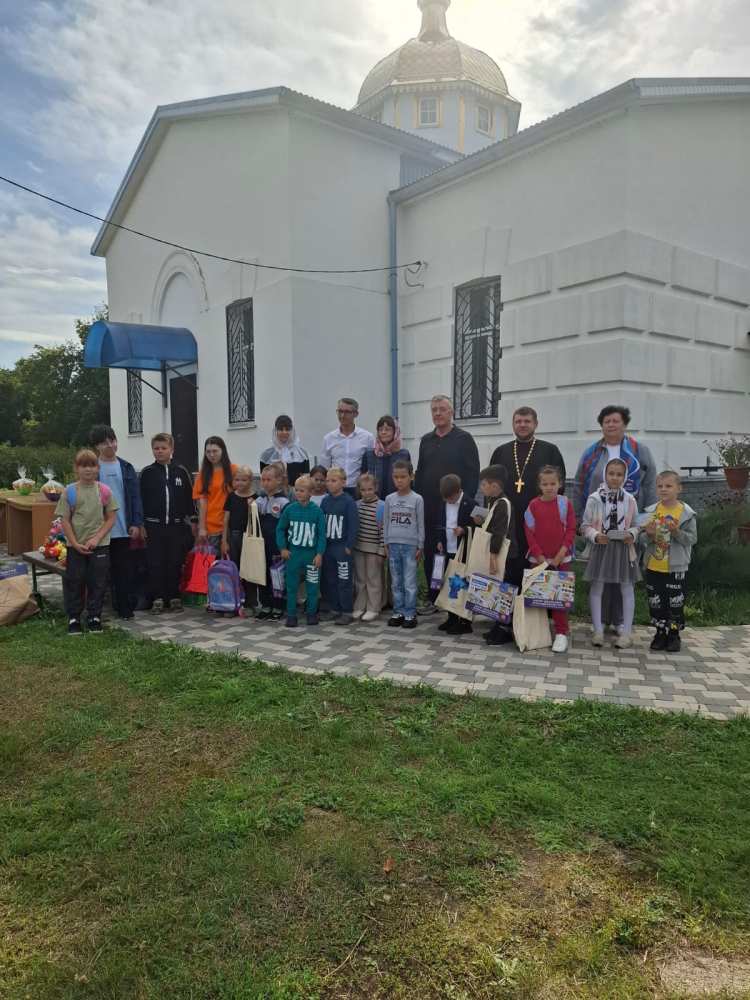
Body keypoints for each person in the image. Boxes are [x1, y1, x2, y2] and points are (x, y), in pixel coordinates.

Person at [573, 405, 656, 632]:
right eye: (606, 421)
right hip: (598, 524)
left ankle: (619, 621)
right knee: (600, 574)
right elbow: (579, 483)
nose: (611, 425)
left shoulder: (639, 451)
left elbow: (650, 484)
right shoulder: (591, 453)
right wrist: (579, 518)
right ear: (601, 425)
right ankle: (600, 621)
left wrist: (647, 519)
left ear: (624, 424)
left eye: (615, 421)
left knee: (622, 575)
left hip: (628, 523)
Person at [415, 395, 480, 612]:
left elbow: (473, 474)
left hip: (455, 508)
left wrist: (464, 504)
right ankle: (434, 596)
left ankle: (455, 599)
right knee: (433, 553)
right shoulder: (426, 440)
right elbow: (421, 472)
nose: (437, 413)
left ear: (451, 412)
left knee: (455, 554)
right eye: (434, 410)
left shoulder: (464, 439)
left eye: (442, 409)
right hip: (431, 508)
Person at [489, 406, 566, 589]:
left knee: (536, 562)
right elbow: (491, 487)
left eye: (527, 421)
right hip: (508, 520)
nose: (522, 425)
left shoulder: (550, 451)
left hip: (539, 520)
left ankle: (533, 605)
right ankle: (508, 603)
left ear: (535, 424)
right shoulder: (501, 452)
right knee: (508, 563)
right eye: (518, 421)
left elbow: (559, 487)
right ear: (513, 424)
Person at [56, 449, 119, 635]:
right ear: (76, 468)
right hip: (75, 546)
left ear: (98, 468)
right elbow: (65, 520)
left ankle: (94, 617)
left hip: (100, 545)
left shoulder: (104, 491)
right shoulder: (69, 491)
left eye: (92, 465)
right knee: (75, 581)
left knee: (98, 582)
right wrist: (74, 543)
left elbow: (111, 518)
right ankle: (74, 618)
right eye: (83, 466)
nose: (88, 469)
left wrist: (97, 538)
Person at [581, 457, 641, 649]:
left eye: (619, 474)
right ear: (605, 474)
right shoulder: (595, 498)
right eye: (611, 473)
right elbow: (585, 525)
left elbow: (636, 525)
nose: (615, 478)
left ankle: (626, 633)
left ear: (625, 477)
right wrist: (595, 535)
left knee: (627, 588)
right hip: (602, 547)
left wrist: (632, 534)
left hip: (623, 549)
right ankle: (598, 630)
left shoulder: (630, 500)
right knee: (597, 587)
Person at [89, 424, 144, 620]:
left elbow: (135, 498)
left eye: (112, 440)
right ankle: (95, 612)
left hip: (123, 528)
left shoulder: (126, 467)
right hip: (99, 531)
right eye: (105, 443)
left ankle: (125, 609)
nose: (110, 445)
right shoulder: (92, 469)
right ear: (97, 446)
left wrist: (136, 523)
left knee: (124, 571)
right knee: (99, 573)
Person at [640, 471, 697, 653]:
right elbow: (642, 539)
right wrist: (648, 535)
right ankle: (660, 633)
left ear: (679, 488)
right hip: (654, 566)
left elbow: (692, 539)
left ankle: (673, 635)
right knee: (656, 602)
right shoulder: (651, 512)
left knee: (675, 603)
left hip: (676, 568)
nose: (663, 489)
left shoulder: (686, 514)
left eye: (668, 486)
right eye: (660, 486)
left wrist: (676, 532)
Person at [523, 465, 577, 653]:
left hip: (561, 559)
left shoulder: (565, 504)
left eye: (553, 484)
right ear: (539, 486)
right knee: (536, 595)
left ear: (560, 484)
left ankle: (561, 633)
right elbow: (529, 532)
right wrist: (539, 556)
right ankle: (536, 631)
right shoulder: (533, 506)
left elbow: (571, 529)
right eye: (545, 484)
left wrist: (561, 554)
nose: (549, 487)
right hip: (538, 560)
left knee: (559, 597)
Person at [139, 432, 195, 614]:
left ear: (171, 449)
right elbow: (140, 500)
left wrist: (194, 520)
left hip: (176, 526)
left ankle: (174, 596)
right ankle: (157, 598)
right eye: (156, 448)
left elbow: (189, 498)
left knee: (175, 561)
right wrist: (140, 524)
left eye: (164, 448)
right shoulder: (147, 473)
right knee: (155, 562)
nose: (160, 451)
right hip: (153, 526)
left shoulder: (181, 471)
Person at [276, 474, 327, 628]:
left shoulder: (317, 511)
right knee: (291, 586)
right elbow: (280, 529)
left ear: (310, 492)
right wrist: (283, 548)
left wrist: (319, 554)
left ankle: (311, 614)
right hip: (293, 554)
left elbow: (322, 534)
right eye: (296, 490)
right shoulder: (290, 509)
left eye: (302, 490)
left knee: (312, 585)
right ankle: (291, 615)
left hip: (311, 555)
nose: (298, 493)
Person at [475, 465, 518, 646]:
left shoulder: (502, 504)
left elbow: (499, 532)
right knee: (498, 588)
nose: (481, 488)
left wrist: (493, 555)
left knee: (504, 591)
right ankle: (498, 625)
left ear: (494, 486)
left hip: (505, 555)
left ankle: (504, 629)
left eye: (484, 484)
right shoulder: (494, 502)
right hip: (500, 553)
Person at [383, 459, 424, 629]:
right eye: (396, 477)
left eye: (403, 477)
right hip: (393, 545)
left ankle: (410, 613)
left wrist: (420, 545)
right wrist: (386, 542)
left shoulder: (417, 499)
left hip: (410, 547)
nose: (399, 480)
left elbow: (420, 523)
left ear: (411, 477)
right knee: (396, 581)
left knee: (409, 581)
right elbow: (386, 522)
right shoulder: (389, 499)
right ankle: (398, 612)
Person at [435, 473, 474, 635]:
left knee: (462, 586)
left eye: (450, 499)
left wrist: (464, 530)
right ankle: (451, 617)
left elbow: (477, 526)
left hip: (462, 551)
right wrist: (439, 540)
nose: (448, 502)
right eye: (446, 499)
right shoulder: (443, 502)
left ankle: (464, 621)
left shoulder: (470, 503)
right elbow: (439, 523)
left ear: (458, 491)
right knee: (448, 586)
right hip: (447, 550)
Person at [320, 467, 359, 625]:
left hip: (342, 548)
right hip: (328, 547)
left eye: (334, 480)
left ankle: (347, 611)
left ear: (343, 482)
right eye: (328, 481)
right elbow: (321, 523)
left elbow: (353, 526)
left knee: (344, 580)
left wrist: (349, 545)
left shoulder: (349, 502)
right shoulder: (325, 501)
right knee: (331, 579)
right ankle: (334, 608)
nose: (330, 483)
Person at [255, 464, 290, 619]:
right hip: (261, 546)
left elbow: (286, 528)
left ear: (279, 480)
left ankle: (278, 606)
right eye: (263, 480)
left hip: (277, 547)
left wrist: (284, 546)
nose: (265, 483)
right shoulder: (259, 500)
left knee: (277, 577)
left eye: (269, 480)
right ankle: (265, 605)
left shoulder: (284, 502)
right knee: (263, 575)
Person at [221, 466, 258, 611]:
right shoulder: (231, 496)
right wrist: (224, 541)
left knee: (249, 570)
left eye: (244, 480)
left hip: (249, 538)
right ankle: (232, 601)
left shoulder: (255, 498)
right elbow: (226, 520)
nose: (240, 483)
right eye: (237, 480)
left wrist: (251, 507)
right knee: (233, 569)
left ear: (251, 481)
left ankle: (250, 602)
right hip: (234, 537)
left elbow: (255, 520)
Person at [321, 397, 375, 496]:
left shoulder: (367, 438)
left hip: (358, 490)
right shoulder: (329, 438)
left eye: (347, 412)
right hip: (335, 490)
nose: (342, 415)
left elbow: (371, 467)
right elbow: (325, 467)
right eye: (340, 411)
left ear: (356, 414)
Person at [193, 437, 236, 556]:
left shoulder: (234, 470)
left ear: (223, 450)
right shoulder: (202, 475)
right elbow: (202, 503)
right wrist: (202, 528)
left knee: (231, 563)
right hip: (212, 527)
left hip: (231, 526)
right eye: (208, 452)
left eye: (215, 451)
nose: (211, 455)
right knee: (213, 563)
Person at [353, 472, 386, 622]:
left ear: (376, 488)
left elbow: (383, 530)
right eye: (363, 490)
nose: (366, 493)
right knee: (360, 579)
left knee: (373, 579)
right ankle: (360, 605)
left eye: (370, 489)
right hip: (358, 548)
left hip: (374, 550)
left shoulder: (382, 506)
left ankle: (373, 608)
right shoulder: (357, 505)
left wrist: (381, 551)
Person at [361, 415, 411, 500]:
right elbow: (363, 480)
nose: (383, 432)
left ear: (395, 432)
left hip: (397, 501)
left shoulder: (403, 454)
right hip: (373, 501)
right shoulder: (369, 455)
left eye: (387, 429)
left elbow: (408, 480)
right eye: (380, 429)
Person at [259, 415, 310, 486]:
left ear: (292, 431)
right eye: (281, 429)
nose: (284, 432)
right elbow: (264, 481)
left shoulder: (302, 454)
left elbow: (306, 481)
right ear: (275, 431)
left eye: (287, 429)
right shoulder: (266, 455)